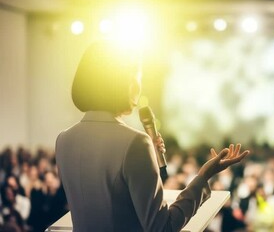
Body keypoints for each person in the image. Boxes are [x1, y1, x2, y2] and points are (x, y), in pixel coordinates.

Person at [55, 41, 249, 232]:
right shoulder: (135, 143)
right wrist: (203, 177)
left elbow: (110, 199)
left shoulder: (63, 140)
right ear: (125, 83)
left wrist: (150, 161)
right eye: (138, 77)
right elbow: (162, 227)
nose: (139, 86)